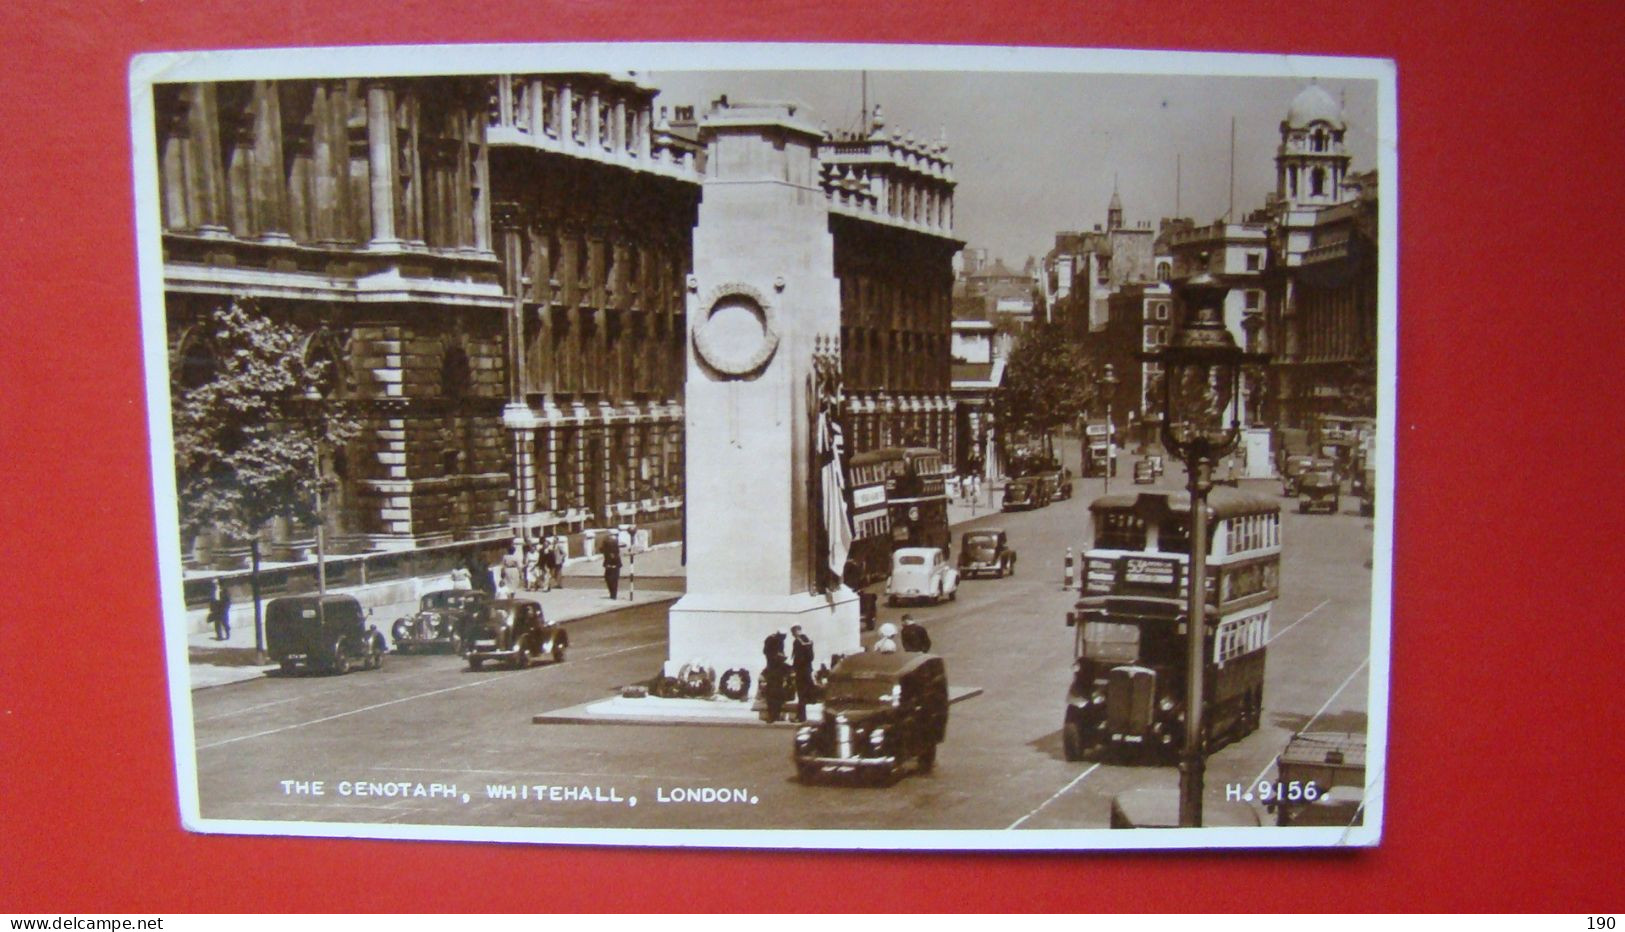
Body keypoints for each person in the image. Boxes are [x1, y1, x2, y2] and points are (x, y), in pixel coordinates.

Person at [761, 631, 789, 723]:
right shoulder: (771, 640)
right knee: (772, 694)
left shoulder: (780, 641)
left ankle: (775, 714)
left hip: (777, 673)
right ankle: (772, 715)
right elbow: (766, 652)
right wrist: (775, 656)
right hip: (772, 672)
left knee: (777, 694)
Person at [790, 625, 816, 723]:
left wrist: (794, 669)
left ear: (795, 631)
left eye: (793, 633)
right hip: (808, 670)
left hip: (801, 672)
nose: (793, 635)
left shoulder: (798, 642)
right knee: (804, 694)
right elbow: (811, 657)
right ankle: (802, 716)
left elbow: (798, 658)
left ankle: (801, 717)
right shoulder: (808, 640)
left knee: (801, 695)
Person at [599, 531, 622, 600]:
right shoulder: (608, 551)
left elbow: (615, 559)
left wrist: (612, 565)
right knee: (610, 579)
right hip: (610, 566)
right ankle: (613, 594)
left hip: (613, 566)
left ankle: (613, 594)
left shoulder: (612, 552)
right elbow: (601, 550)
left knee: (612, 580)